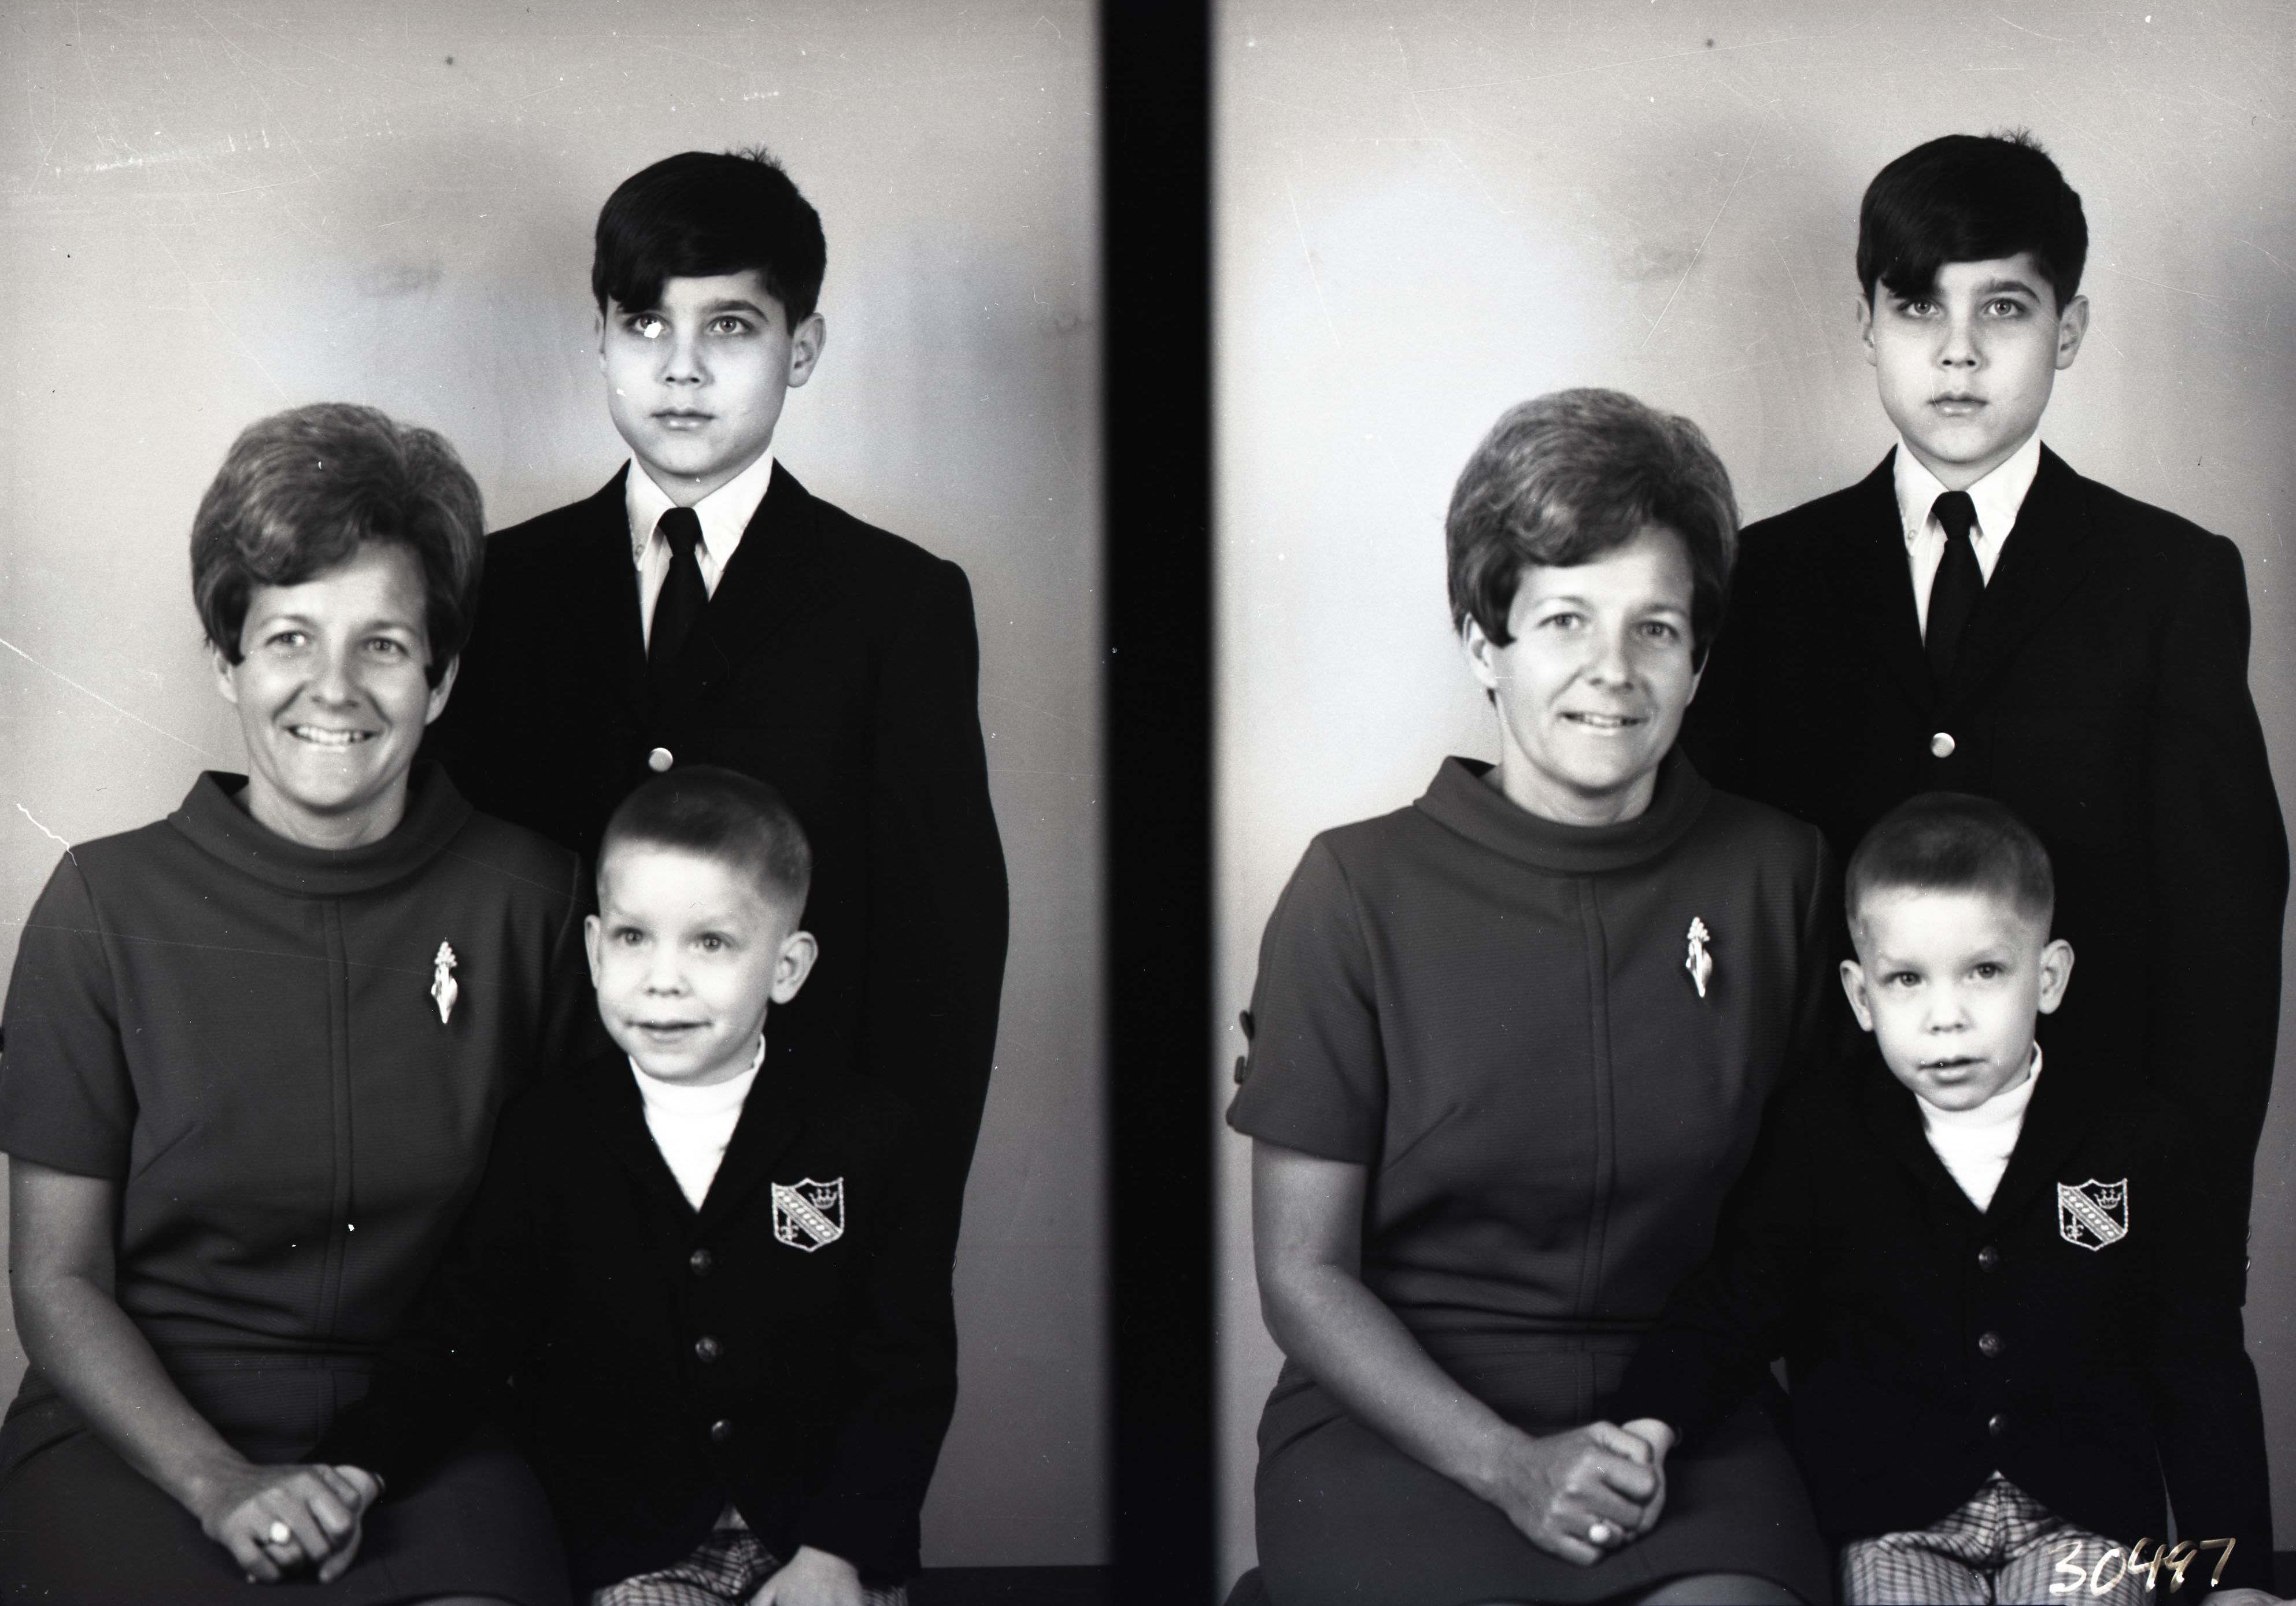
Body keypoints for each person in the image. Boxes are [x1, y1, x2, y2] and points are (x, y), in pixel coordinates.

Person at [1226, 390, 1837, 1606]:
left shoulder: (1783, 875)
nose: (1614, 672)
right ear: (1481, 643)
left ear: (1699, 660)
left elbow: (1796, 1228)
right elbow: (1304, 1276)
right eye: (1564, 620)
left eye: (1656, 628)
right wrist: (1507, 1465)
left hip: (1683, 1424)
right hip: (1408, 1431)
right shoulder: (1353, 889)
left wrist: (1658, 1424)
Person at [0, 403, 589, 1600]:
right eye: (288, 638)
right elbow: (57, 1282)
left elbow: (576, 1254)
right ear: (226, 662)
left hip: (431, 1439)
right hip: (139, 1440)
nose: (335, 687)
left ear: (441, 676)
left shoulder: (536, 902)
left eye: (384, 644)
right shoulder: (102, 903)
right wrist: (218, 1482)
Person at [1677, 131, 2287, 1267]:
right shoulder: (1772, 576)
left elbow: (2225, 943)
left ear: (2070, 329)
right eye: (1918, 308)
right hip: (1834, 1198)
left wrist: (2189, 1242)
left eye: (2004, 308)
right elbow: (1710, 895)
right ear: (1867, 324)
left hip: (2086, 1199)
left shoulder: (2169, 580)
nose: (1958, 353)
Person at [423, 149, 1007, 1246]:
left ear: (803, 349)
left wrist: (885, 1235)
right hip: (536, 1183)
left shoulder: (896, 602)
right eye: (646, 324)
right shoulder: (502, 586)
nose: (681, 368)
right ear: (600, 338)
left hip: (789, 1194)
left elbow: (942, 958)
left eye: (730, 326)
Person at [1613, 793, 2276, 1604]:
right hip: (1895, 1520)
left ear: (2049, 977)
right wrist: (1651, 1420)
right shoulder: (1823, 1135)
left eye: (1985, 972)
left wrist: (2234, 1577)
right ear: (1862, 997)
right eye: (1906, 980)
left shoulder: (2137, 1138)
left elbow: (2199, 1363)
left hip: (2083, 1523)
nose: (1946, 1018)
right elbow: (1738, 1302)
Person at [315, 767, 955, 1606]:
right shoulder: (549, 1134)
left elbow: (907, 1372)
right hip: (641, 1553)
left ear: (788, 966)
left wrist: (836, 1552)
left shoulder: (868, 1136)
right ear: (593, 950)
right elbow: (464, 1335)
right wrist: (359, 1466)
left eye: (711, 943)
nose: (663, 979)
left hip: (821, 1546)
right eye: (632, 937)